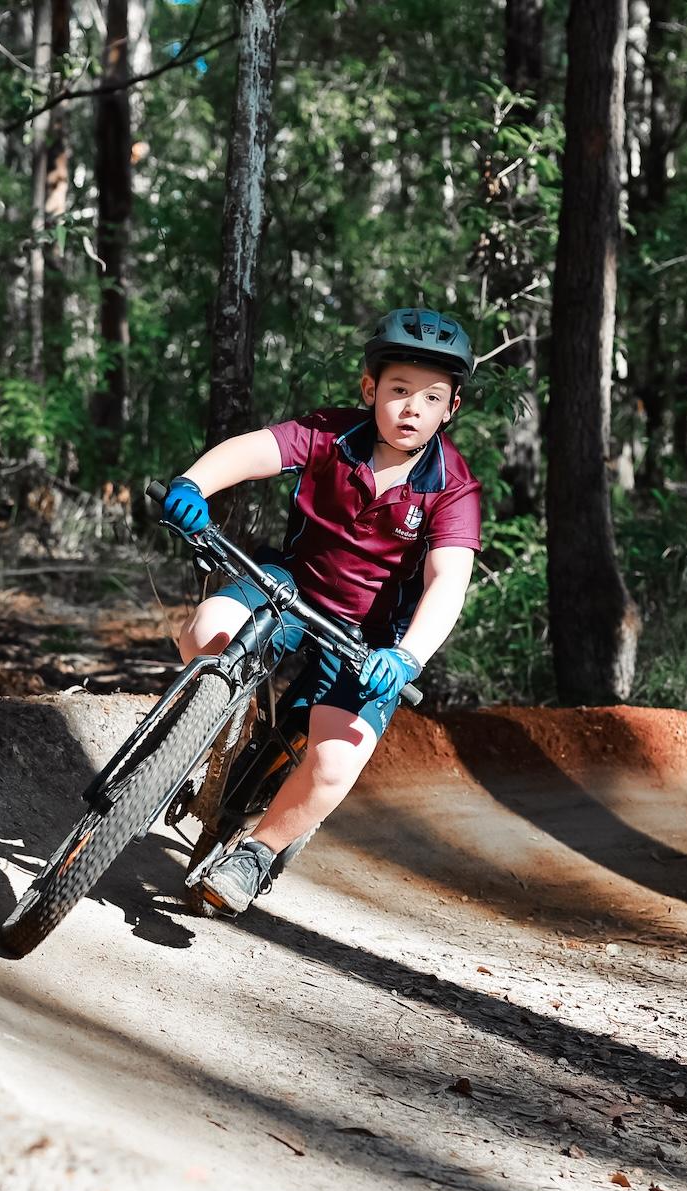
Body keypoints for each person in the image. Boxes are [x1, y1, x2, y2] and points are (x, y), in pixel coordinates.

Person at [161, 306, 483, 915]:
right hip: (291, 584)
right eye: (398, 390)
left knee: (333, 764)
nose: (412, 407)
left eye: (431, 397)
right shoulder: (331, 435)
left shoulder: (454, 488)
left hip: (373, 638)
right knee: (208, 631)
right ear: (370, 390)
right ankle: (212, 734)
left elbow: (448, 582)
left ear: (451, 408)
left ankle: (258, 853)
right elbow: (253, 451)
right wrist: (193, 484)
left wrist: (407, 655)